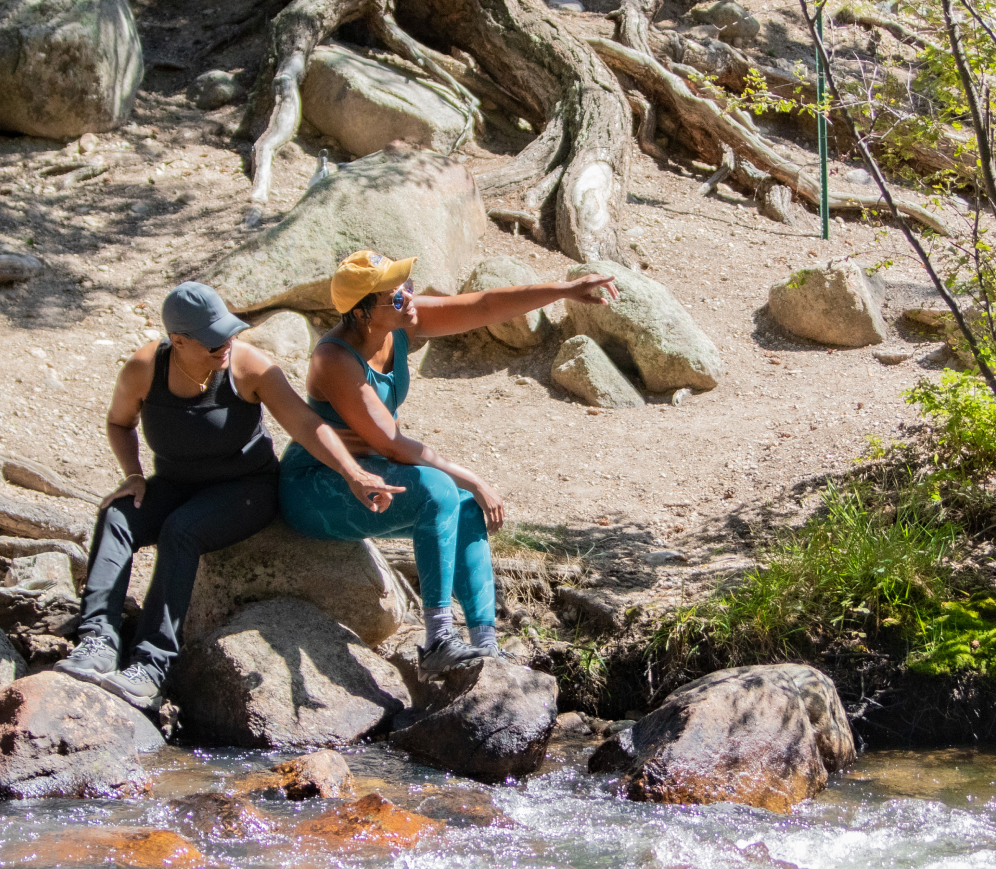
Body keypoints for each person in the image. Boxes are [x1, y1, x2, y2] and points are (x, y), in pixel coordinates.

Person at [58, 280, 403, 709]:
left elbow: (305, 424)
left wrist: (353, 473)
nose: (226, 343)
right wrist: (132, 474)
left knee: (181, 532)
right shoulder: (145, 368)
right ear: (177, 341)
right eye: (213, 339)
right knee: (117, 516)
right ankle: (97, 642)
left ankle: (151, 665)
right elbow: (119, 423)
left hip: (247, 491)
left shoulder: (249, 367)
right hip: (175, 484)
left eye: (229, 331)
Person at [280, 251, 618, 673]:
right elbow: (391, 444)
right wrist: (471, 475)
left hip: (372, 476)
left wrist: (565, 290)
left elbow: (485, 306)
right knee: (442, 489)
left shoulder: (401, 322)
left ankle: (485, 642)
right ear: (364, 310)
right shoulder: (335, 359)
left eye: (407, 285)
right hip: (317, 486)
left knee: (461, 501)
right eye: (396, 292)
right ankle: (439, 639)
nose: (409, 295)